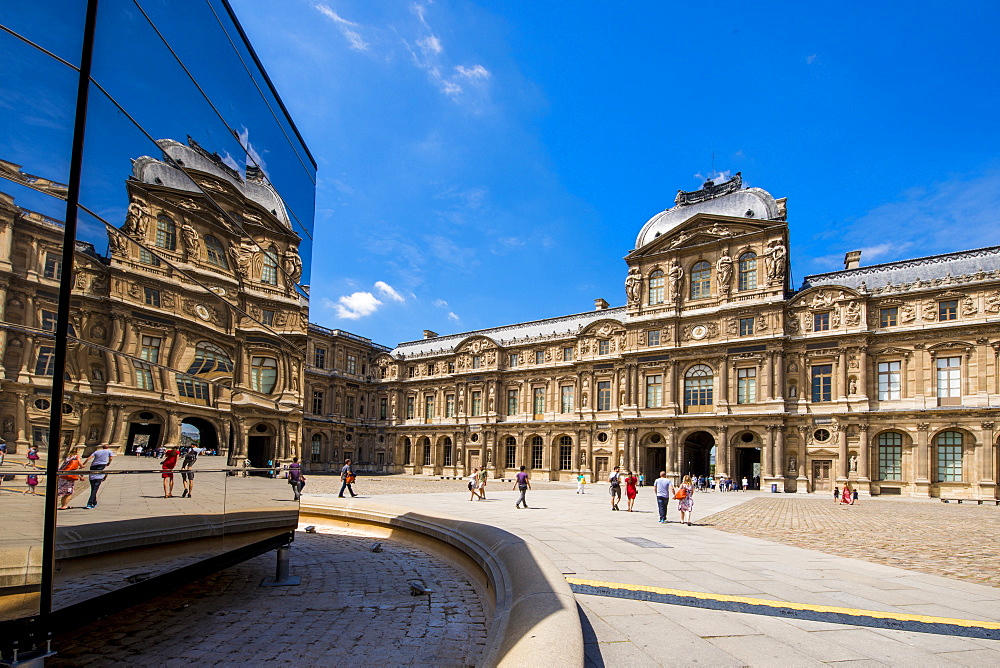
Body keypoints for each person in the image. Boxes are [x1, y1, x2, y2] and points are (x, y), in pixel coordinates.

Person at [83, 443, 114, 508]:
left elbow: (88, 458)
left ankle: (94, 502)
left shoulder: (97, 451)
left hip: (93, 467)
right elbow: (111, 458)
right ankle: (90, 503)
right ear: (108, 447)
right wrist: (109, 463)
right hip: (100, 470)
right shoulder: (109, 451)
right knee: (94, 490)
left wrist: (83, 464)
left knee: (93, 489)